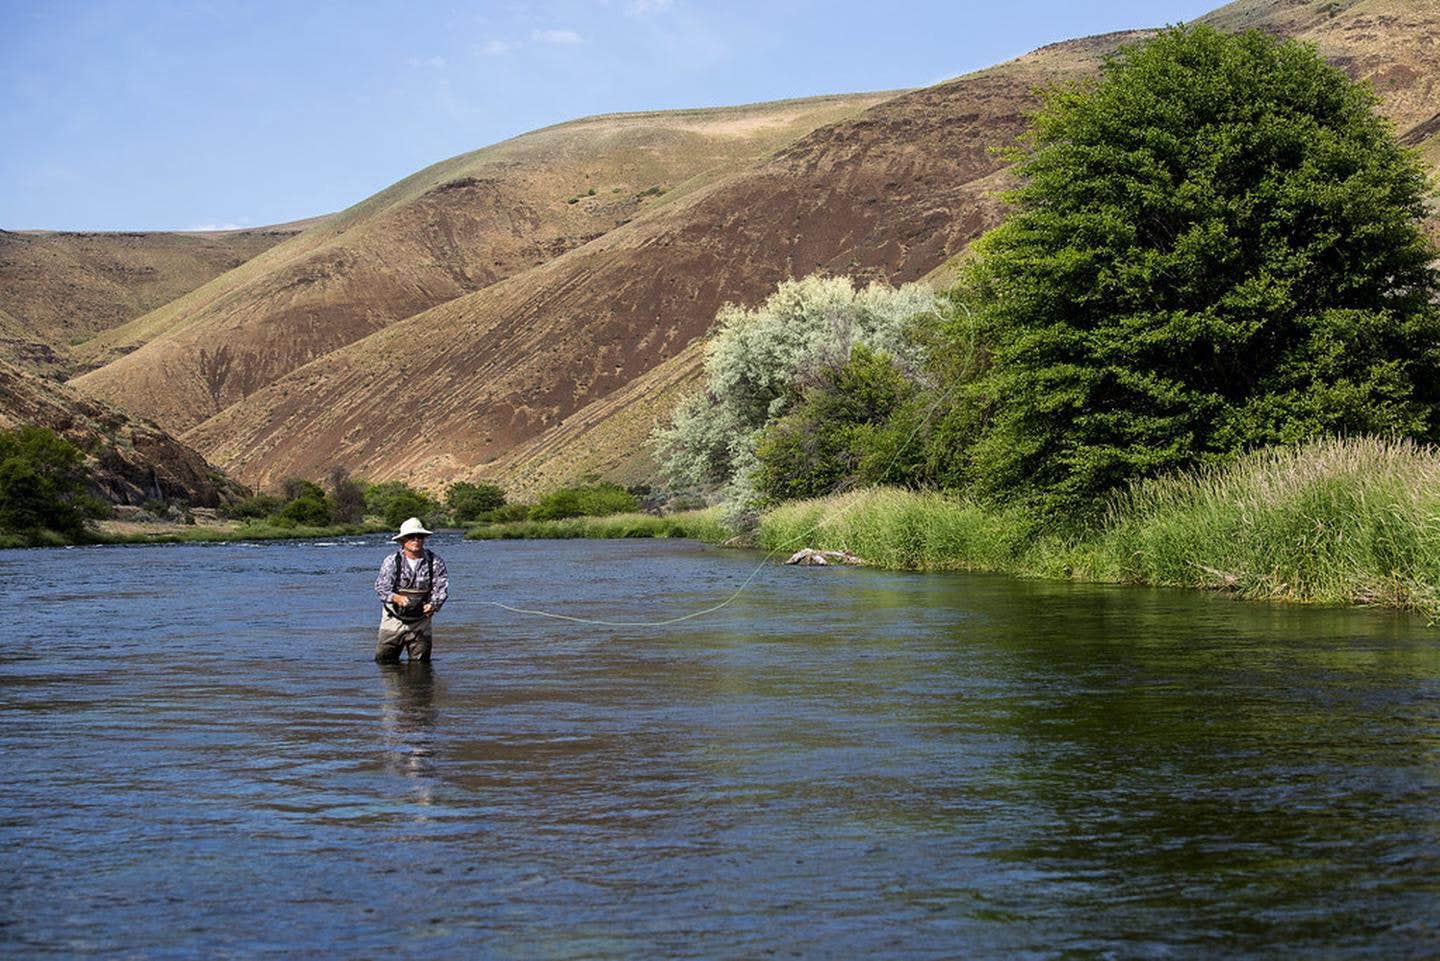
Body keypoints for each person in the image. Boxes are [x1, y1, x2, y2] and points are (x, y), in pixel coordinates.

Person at [373, 517, 449, 663]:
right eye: (411, 536)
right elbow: (381, 588)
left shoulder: (435, 561)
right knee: (385, 662)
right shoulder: (391, 561)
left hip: (422, 620)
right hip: (393, 618)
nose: (416, 540)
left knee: (421, 664)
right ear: (403, 540)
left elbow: (441, 589)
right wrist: (397, 598)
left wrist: (433, 605)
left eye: (419, 536)